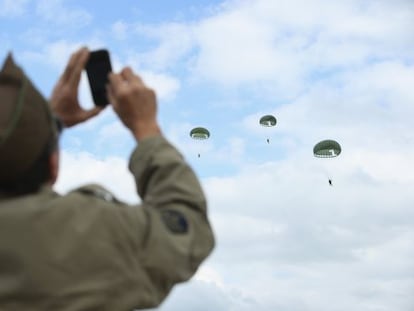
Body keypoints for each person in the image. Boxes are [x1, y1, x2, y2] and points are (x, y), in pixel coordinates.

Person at [0, 47, 215, 310]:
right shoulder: (89, 234)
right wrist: (146, 129)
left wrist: (47, 126)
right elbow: (188, 227)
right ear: (52, 165)